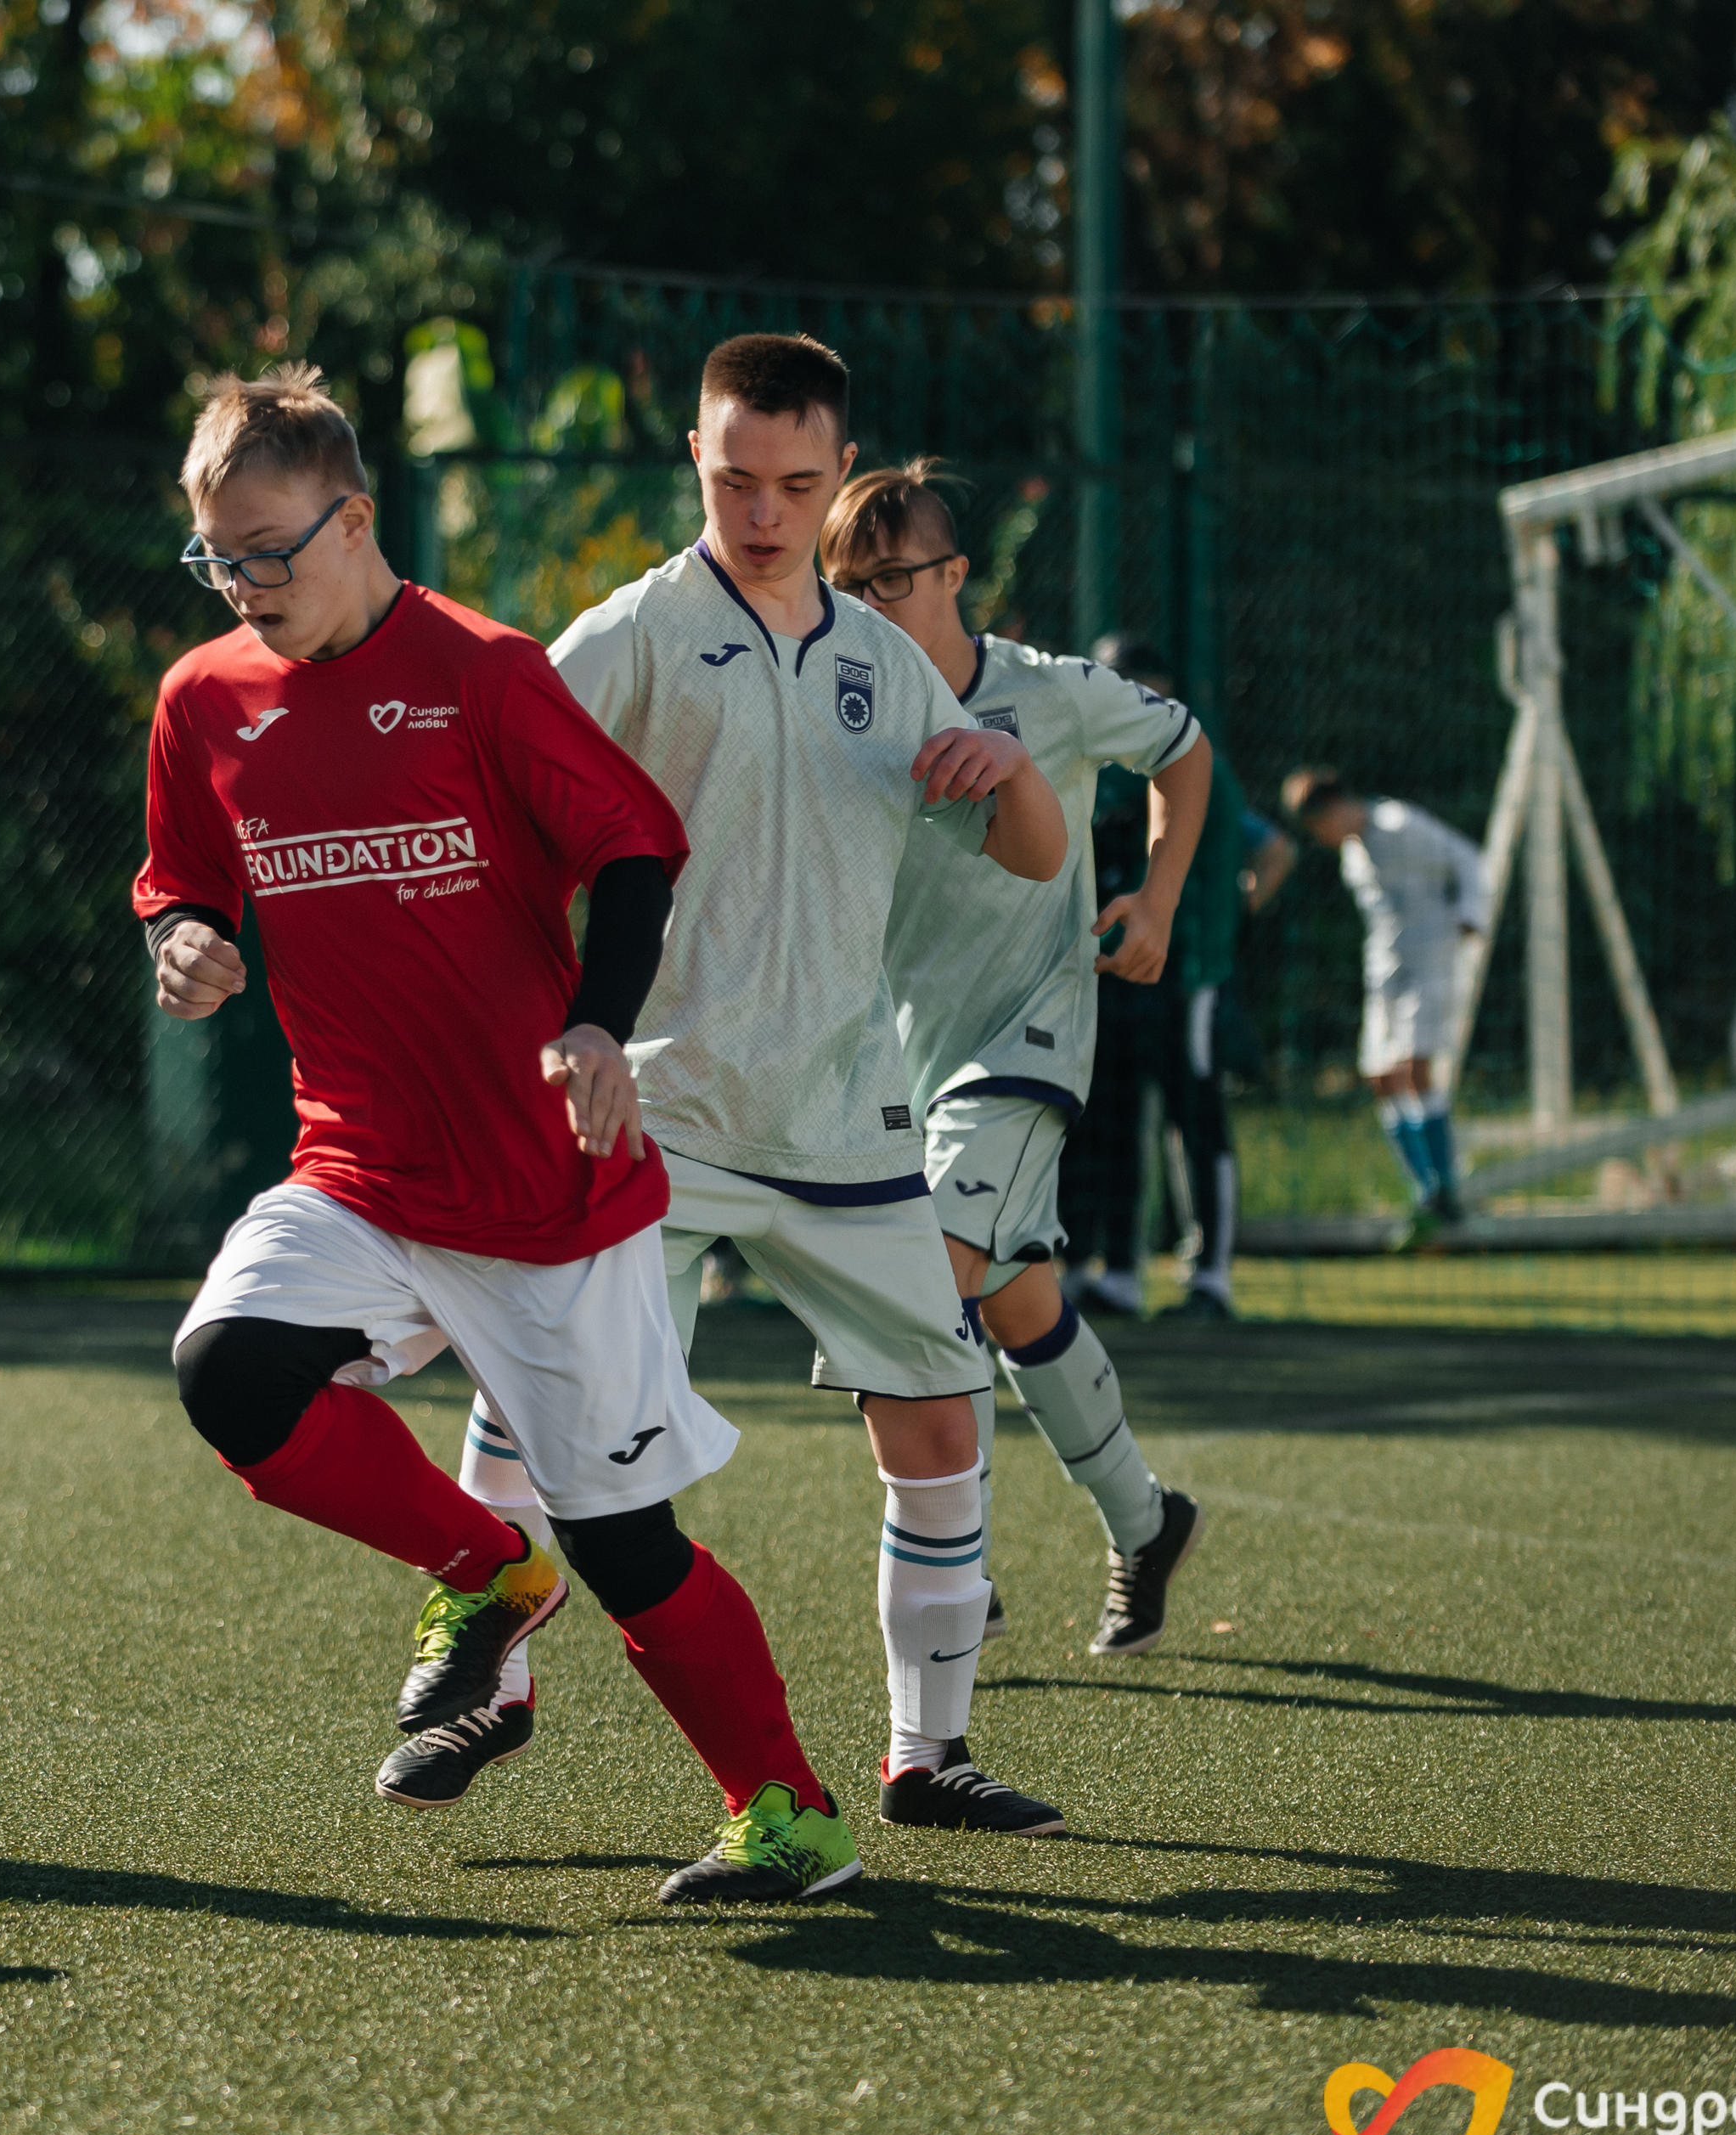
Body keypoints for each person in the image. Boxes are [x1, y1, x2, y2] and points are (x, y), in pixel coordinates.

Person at [144, 363, 854, 1905]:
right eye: (219, 556)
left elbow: (637, 854)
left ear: (357, 518)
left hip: (545, 1191)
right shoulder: (204, 698)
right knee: (232, 1374)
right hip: (355, 1166)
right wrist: (186, 940)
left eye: (269, 549)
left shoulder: (483, 669)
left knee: (633, 1548)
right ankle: (486, 1563)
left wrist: (598, 1023)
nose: (244, 585)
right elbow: (182, 877)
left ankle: (789, 1813)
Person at [421, 335, 1074, 1835]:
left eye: (795, 483)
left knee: (940, 1426)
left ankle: (931, 1757)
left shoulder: (880, 659)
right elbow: (498, 824)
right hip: (663, 1116)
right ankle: (484, 1690)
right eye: (735, 480)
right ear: (697, 467)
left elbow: (1035, 858)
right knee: (536, 1389)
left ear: (839, 476)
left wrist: (1005, 773)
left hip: (849, 1122)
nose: (765, 510)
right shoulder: (630, 637)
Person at [823, 464, 1214, 1658]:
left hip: (1030, 1037)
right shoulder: (833, 700)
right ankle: (1147, 1523)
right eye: (852, 584)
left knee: (921, 1279)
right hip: (896, 1062)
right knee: (1016, 1296)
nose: (875, 604)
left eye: (898, 579)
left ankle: (959, 1569)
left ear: (955, 576)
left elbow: (1187, 749)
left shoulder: (1049, 691)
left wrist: (1156, 900)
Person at [1059, 638, 1255, 1321]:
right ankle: (1116, 1269)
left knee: (1193, 1116)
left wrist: (1211, 930)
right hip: (1114, 974)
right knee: (1106, 1118)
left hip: (1189, 972)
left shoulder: (1196, 765)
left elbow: (1265, 848)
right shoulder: (1105, 772)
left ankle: (1211, 1277)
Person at [1281, 767, 1488, 1235]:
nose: (1323, 838)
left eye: (1320, 827)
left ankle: (1445, 1189)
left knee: (1416, 1070)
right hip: (1385, 970)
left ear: (1335, 808)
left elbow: (1466, 858)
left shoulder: (1400, 824)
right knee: (1380, 1076)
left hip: (1430, 960)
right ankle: (1424, 1191)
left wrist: (1470, 915)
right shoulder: (1353, 855)